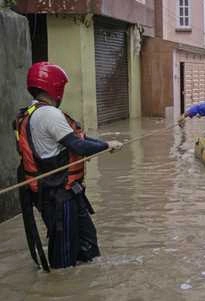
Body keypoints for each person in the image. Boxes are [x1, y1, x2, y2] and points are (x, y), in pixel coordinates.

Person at [14, 62, 123, 269]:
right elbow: (78, 145)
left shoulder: (32, 111)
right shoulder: (48, 114)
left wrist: (99, 145)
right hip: (57, 195)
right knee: (63, 257)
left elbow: (73, 143)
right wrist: (107, 145)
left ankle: (85, 284)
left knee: (87, 244)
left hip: (66, 192)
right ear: (55, 88)